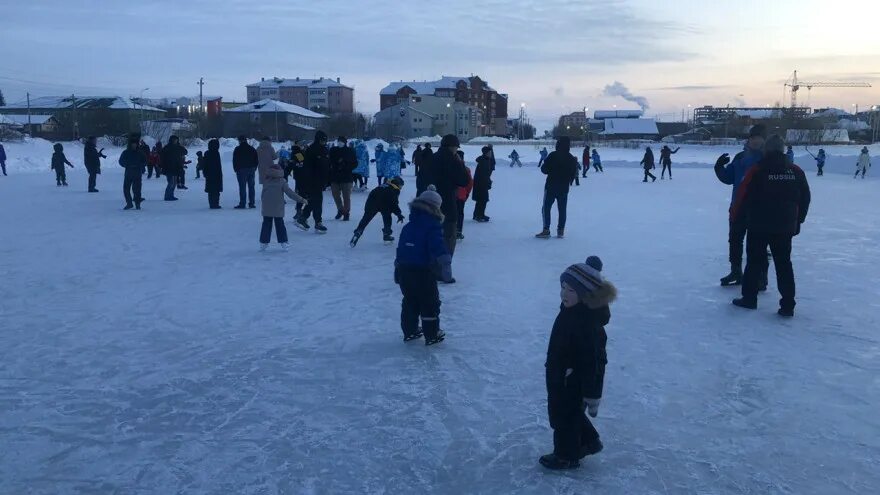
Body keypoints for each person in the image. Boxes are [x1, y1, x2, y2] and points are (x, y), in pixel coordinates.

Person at [540, 260, 611, 470]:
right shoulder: (572, 310)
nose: (564, 293)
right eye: (563, 287)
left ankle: (566, 456)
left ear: (585, 294)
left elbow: (592, 361)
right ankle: (589, 441)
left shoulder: (586, 322)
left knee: (564, 417)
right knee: (569, 413)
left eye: (571, 290)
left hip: (571, 378)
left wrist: (591, 392)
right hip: (562, 372)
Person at [730, 135, 811, 317]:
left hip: (759, 225)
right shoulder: (795, 170)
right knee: (784, 264)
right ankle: (787, 305)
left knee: (754, 262)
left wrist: (736, 217)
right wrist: (799, 221)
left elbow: (742, 196)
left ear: (766, 150)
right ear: (782, 150)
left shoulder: (757, 170)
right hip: (784, 227)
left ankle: (749, 299)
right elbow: (805, 198)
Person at [394, 186, 451, 345]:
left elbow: (401, 248)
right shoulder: (432, 226)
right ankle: (432, 334)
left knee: (410, 300)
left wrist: (397, 267)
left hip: (405, 270)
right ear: (435, 207)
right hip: (423, 272)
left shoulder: (408, 226)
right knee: (429, 302)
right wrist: (446, 265)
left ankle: (410, 330)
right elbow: (438, 247)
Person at [714, 124, 766, 286]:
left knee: (758, 244)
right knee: (735, 241)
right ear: (749, 140)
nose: (756, 141)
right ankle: (736, 271)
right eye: (753, 138)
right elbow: (728, 178)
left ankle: (761, 277)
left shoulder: (768, 158)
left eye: (759, 138)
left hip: (760, 209)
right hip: (738, 207)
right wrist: (718, 167)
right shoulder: (740, 158)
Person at [421, 134, 469, 263]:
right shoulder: (453, 161)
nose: (456, 150)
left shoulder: (432, 158)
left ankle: (430, 264)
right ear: (452, 147)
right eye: (456, 147)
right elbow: (464, 180)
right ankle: (443, 268)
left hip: (431, 203)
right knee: (448, 236)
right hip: (448, 203)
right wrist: (460, 163)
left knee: (432, 235)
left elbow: (422, 179)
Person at [258, 152, 307, 252]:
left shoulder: (266, 181)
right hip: (277, 207)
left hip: (266, 207)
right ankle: (284, 242)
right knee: (279, 225)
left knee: (266, 224)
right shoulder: (282, 182)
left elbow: (263, 194)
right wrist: (301, 199)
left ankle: (263, 243)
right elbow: (290, 194)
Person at [536, 137, 578, 239]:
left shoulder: (553, 155)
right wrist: (569, 180)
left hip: (551, 186)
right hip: (564, 188)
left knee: (546, 208)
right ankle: (560, 231)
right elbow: (573, 174)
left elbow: (544, 170)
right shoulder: (571, 158)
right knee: (562, 210)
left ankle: (546, 230)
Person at [350, 177, 405, 247]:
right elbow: (394, 203)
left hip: (372, 203)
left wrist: (367, 210)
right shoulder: (394, 190)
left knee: (366, 219)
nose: (401, 188)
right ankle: (387, 235)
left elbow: (371, 195)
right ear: (397, 184)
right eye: (401, 186)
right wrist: (399, 214)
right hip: (384, 205)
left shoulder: (382, 185)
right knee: (387, 218)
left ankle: (358, 232)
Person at [295, 130, 330, 234]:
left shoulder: (324, 150)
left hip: (320, 180)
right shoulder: (311, 150)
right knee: (317, 201)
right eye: (323, 140)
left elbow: (326, 164)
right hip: (312, 180)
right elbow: (306, 166)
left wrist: (327, 178)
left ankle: (303, 217)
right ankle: (317, 222)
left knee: (314, 200)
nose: (325, 142)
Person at [329, 136, 357, 221]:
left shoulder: (350, 151)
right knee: (335, 195)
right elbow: (329, 161)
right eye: (338, 141)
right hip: (335, 176)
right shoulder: (333, 150)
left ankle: (346, 212)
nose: (339, 143)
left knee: (346, 196)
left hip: (346, 177)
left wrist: (346, 166)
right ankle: (340, 210)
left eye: (341, 141)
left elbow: (355, 163)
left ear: (345, 142)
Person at [119, 137, 146, 210]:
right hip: (128, 173)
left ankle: (137, 204)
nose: (134, 145)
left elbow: (145, 161)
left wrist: (140, 165)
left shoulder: (140, 152)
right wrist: (126, 165)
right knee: (126, 189)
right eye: (132, 144)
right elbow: (121, 161)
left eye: (135, 144)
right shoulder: (126, 152)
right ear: (130, 145)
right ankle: (129, 203)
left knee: (137, 189)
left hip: (137, 173)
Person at [232, 135, 258, 209]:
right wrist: (254, 167)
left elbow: (235, 160)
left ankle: (242, 203)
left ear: (240, 141)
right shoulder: (252, 149)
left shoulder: (237, 149)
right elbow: (256, 159)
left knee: (242, 187)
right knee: (251, 187)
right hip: (251, 169)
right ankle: (252, 203)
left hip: (241, 170)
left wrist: (236, 169)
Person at [160, 136, 186, 201]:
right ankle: (167, 196)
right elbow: (162, 157)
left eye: (176, 140)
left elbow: (185, 151)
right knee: (171, 182)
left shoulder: (178, 147)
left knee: (174, 183)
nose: (175, 141)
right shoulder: (167, 147)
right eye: (174, 140)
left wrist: (180, 146)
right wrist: (162, 166)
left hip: (176, 167)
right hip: (168, 167)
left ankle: (171, 195)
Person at [472, 146, 493, 222]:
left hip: (480, 183)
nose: (490, 154)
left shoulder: (485, 160)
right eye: (489, 153)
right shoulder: (484, 161)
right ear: (486, 153)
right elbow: (483, 175)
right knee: (482, 200)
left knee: (481, 200)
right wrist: (487, 183)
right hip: (481, 184)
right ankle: (479, 215)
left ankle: (477, 214)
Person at [455, 151, 473, 240]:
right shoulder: (466, 169)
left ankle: (450, 230)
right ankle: (458, 231)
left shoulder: (449, 167)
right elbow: (469, 184)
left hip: (451, 195)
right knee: (460, 213)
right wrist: (466, 194)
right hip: (461, 195)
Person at [202, 138, 223, 209]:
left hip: (209, 174)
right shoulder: (216, 153)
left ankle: (212, 204)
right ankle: (215, 204)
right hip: (216, 174)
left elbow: (204, 164)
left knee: (211, 190)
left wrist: (205, 173)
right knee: (216, 190)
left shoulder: (207, 153)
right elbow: (218, 165)